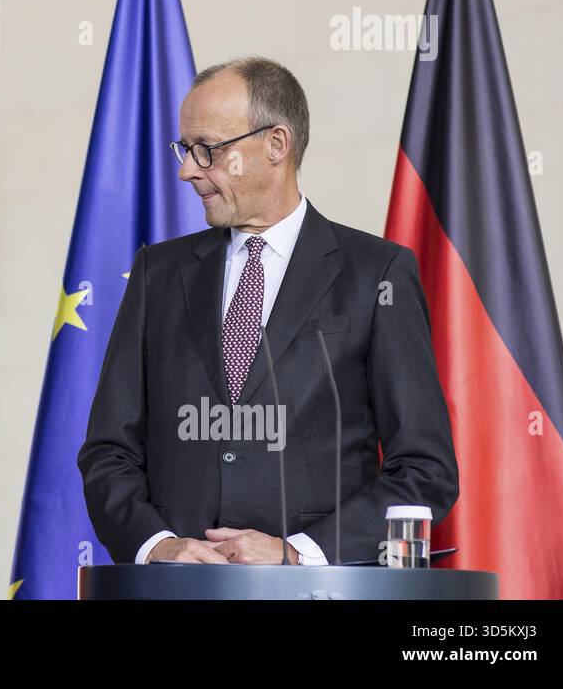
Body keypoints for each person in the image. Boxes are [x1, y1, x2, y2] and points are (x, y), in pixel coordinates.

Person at [78, 57, 458, 565]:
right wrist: (157, 545)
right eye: (184, 148)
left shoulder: (378, 273)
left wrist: (297, 554)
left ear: (276, 144)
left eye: (207, 150)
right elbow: (108, 451)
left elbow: (423, 470)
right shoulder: (157, 274)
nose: (187, 169)